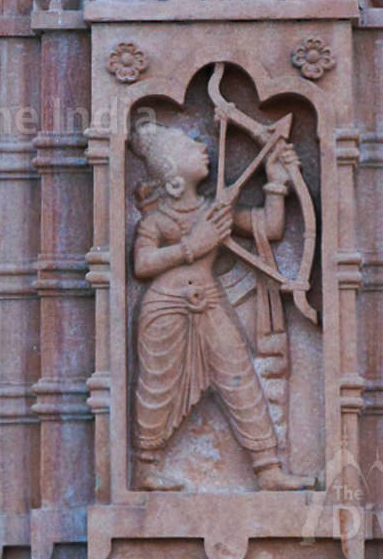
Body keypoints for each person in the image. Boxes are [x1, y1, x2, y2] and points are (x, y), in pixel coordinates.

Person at [129, 118, 314, 492]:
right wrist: (192, 247)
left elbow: (270, 228)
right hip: (165, 308)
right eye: (187, 146)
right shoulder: (158, 219)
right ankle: (145, 468)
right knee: (157, 388)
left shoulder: (214, 211)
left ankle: (268, 470)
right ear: (172, 176)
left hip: (209, 304)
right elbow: (142, 264)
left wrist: (276, 181)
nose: (202, 147)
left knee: (240, 379)